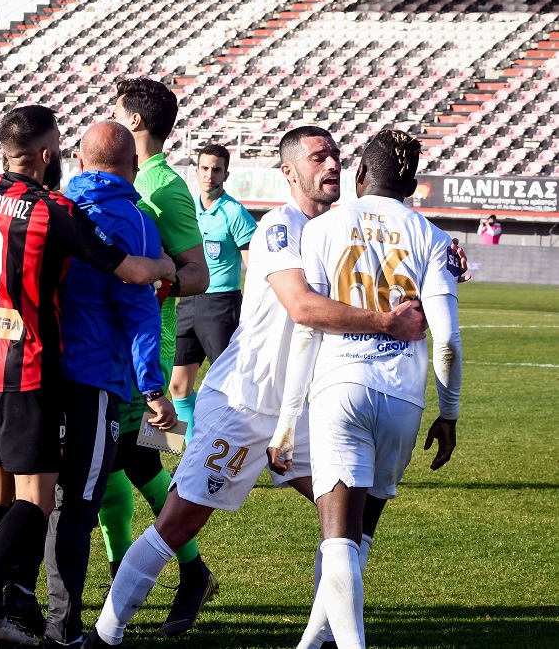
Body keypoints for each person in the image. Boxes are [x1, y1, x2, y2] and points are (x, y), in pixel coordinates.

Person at [81, 126, 430, 649]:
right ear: (288, 171)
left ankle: (321, 640)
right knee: (178, 524)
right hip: (242, 403)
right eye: (318, 157)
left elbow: (394, 249)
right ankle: (105, 636)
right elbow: (302, 307)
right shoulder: (278, 227)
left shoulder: (342, 227)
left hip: (304, 410)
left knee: (347, 528)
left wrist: (447, 256)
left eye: (336, 155)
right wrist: (385, 323)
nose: (332, 164)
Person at [0, 105, 176, 649]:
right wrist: (167, 269)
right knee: (60, 503)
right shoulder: (60, 211)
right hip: (49, 371)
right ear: (48, 155)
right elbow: (134, 284)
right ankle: (0, 610)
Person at [268, 130, 462, 649]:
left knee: (338, 540)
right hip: (402, 397)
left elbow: (308, 329)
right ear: (413, 186)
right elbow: (446, 342)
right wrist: (449, 413)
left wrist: (286, 423)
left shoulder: (323, 227)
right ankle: (313, 643)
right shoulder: (433, 237)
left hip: (341, 387)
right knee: (359, 536)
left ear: (359, 175)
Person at [43, 121, 178, 649]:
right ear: (134, 167)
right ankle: (64, 628)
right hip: (95, 378)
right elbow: (140, 312)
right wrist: (153, 389)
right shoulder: (135, 219)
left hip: (33, 374)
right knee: (78, 506)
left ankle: (4, 602)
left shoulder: (53, 206)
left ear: (79, 162)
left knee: (33, 497)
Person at [101, 76, 211, 637]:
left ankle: (187, 572)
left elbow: (199, 273)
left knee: (129, 458)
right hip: (114, 343)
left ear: (136, 122)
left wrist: (153, 278)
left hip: (145, 349)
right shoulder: (127, 177)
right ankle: (134, 573)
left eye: (116, 110)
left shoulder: (163, 186)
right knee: (122, 462)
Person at [171, 144, 257, 441]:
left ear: (226, 174)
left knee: (230, 388)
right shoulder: (186, 208)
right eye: (205, 168)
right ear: (196, 171)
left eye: (216, 169)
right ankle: (190, 450)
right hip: (186, 300)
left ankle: (235, 448)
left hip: (221, 305)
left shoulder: (235, 213)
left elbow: (255, 268)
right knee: (177, 387)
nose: (210, 175)